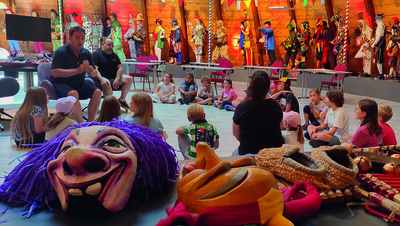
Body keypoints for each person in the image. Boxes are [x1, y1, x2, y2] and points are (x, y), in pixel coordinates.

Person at [51, 26, 102, 123]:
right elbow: (55, 73)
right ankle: (81, 123)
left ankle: (90, 122)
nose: (80, 41)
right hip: (62, 84)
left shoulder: (86, 53)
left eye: (82, 38)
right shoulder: (60, 52)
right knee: (73, 93)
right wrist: (78, 70)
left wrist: (92, 72)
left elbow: (95, 73)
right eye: (77, 37)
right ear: (69, 38)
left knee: (97, 92)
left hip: (79, 84)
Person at [233, 71, 284, 155]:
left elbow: (236, 134)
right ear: (268, 87)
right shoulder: (276, 105)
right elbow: (280, 127)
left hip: (249, 151)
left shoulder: (241, 107)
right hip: (273, 152)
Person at [92, 37, 133, 110]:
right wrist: (102, 80)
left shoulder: (114, 55)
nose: (110, 47)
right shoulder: (96, 54)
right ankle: (110, 107)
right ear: (102, 44)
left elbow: (120, 68)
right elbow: (95, 70)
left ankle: (122, 100)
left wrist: (117, 79)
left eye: (112, 45)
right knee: (106, 82)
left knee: (129, 79)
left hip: (113, 79)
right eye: (108, 45)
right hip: (101, 79)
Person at [354, 12, 373, 77]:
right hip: (364, 47)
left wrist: (364, 40)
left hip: (368, 47)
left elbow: (369, 39)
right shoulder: (361, 30)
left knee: (368, 59)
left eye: (359, 24)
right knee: (364, 60)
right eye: (358, 24)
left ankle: (368, 72)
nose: (358, 25)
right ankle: (365, 71)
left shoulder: (368, 30)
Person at [372, 14, 386, 80]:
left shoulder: (380, 26)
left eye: (376, 20)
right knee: (378, 59)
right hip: (380, 43)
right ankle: (380, 74)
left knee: (379, 59)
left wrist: (374, 43)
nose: (375, 21)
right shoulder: (381, 26)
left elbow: (378, 37)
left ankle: (381, 74)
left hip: (379, 44)